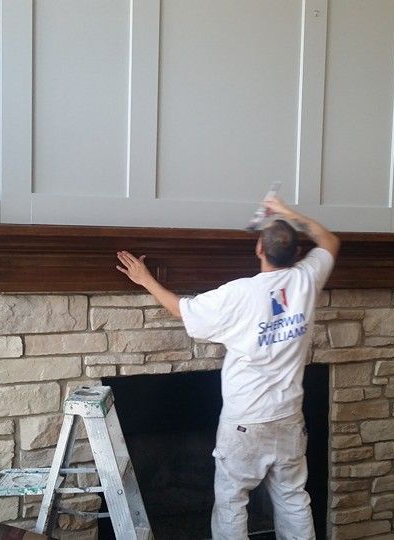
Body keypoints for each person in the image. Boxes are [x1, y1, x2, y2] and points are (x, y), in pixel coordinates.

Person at [115, 196, 339, 540]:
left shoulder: (240, 294)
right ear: (296, 254)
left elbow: (183, 310)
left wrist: (146, 279)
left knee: (233, 503)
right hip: (288, 418)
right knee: (293, 499)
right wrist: (287, 213)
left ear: (258, 248)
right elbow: (330, 241)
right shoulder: (306, 280)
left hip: (245, 422)